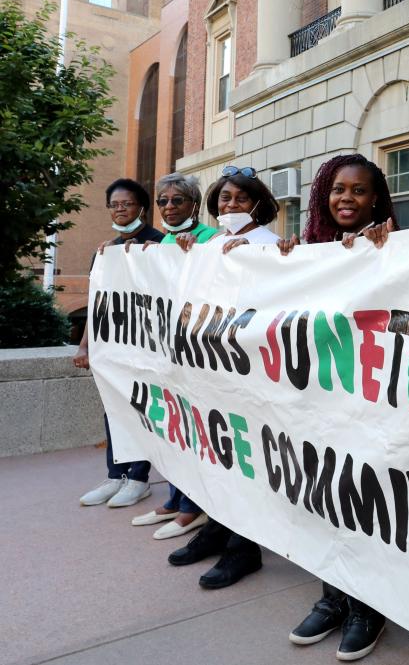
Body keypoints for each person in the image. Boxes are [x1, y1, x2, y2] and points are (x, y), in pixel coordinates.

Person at [281, 154, 398, 661]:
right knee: (324, 497)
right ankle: (332, 596)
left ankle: (368, 606)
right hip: (318, 404)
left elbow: (408, 319)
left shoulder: (399, 245)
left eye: (358, 191)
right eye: (337, 189)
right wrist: (277, 258)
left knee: (365, 501)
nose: (346, 199)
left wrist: (382, 257)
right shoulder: (309, 250)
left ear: (376, 198)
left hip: (372, 401)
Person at [166, 166, 280, 589]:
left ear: (258, 204)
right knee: (216, 453)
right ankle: (216, 527)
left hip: (252, 370)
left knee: (246, 460)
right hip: (211, 368)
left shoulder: (274, 245)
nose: (231, 205)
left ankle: (244, 548)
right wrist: (182, 256)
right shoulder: (208, 245)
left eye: (241, 198)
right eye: (225, 199)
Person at [129, 172, 215, 539]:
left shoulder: (214, 238)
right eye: (162, 200)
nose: (168, 206)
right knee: (174, 429)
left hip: (199, 352)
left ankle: (195, 509)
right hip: (166, 352)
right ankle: (175, 499)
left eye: (177, 199)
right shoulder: (161, 242)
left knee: (196, 431)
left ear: (194, 203)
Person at [76, 178, 164, 508]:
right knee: (113, 409)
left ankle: (138, 478)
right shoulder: (106, 250)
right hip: (113, 348)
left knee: (140, 410)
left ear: (142, 207)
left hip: (146, 348)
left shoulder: (160, 244)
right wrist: (84, 345)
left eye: (126, 204)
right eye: (114, 205)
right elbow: (96, 304)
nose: (120, 209)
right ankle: (116, 474)